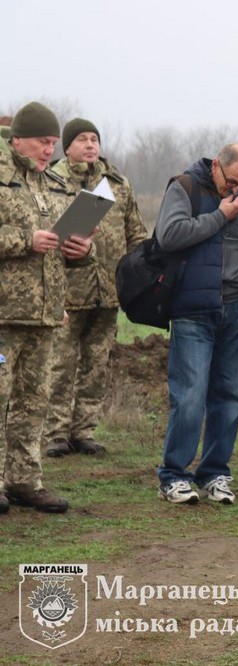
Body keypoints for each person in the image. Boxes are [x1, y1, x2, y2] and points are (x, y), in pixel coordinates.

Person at [154, 144, 238, 504]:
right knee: (189, 396)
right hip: (193, 310)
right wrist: (220, 215)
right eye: (232, 181)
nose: (236, 190)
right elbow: (169, 236)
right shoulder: (185, 187)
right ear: (216, 166)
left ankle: (215, 474)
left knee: (229, 399)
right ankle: (173, 476)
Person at [0, 101, 95, 514]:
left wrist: (82, 250)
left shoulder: (53, 184)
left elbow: (62, 248)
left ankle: (24, 480)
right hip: (4, 315)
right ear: (18, 139)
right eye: (42, 142)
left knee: (32, 401)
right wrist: (24, 240)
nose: (47, 150)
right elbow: (28, 240)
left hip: (45, 315)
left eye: (53, 144)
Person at [44, 118, 147, 458]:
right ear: (67, 146)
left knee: (96, 364)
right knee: (60, 364)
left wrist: (139, 271)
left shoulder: (117, 183)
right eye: (82, 139)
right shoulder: (51, 180)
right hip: (67, 291)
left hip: (108, 290)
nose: (90, 145)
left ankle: (84, 430)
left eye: (94, 139)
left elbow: (136, 233)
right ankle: (54, 432)